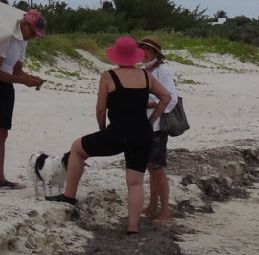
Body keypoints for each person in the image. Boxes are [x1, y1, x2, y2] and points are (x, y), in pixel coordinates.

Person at [48, 37, 171, 236]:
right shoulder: (145, 76)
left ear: (116, 55)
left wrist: (102, 129)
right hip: (142, 134)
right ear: (135, 55)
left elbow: (100, 108)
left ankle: (69, 195)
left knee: (77, 148)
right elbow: (166, 97)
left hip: (117, 133)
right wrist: (151, 120)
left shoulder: (109, 76)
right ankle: (133, 227)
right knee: (135, 182)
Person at [0, 8, 46, 189]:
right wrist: (21, 80)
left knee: (3, 133)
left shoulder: (23, 40)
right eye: (33, 32)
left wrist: (29, 78)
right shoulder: (5, 36)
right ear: (24, 23)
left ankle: (1, 179)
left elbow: (16, 71)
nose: (33, 36)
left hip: (5, 84)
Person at [139, 35, 178, 226]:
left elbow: (171, 98)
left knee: (158, 168)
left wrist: (150, 106)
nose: (144, 52)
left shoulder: (163, 70)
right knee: (150, 167)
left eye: (147, 49)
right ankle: (153, 205)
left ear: (156, 53)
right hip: (146, 124)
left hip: (156, 125)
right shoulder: (145, 70)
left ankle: (165, 212)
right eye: (142, 48)